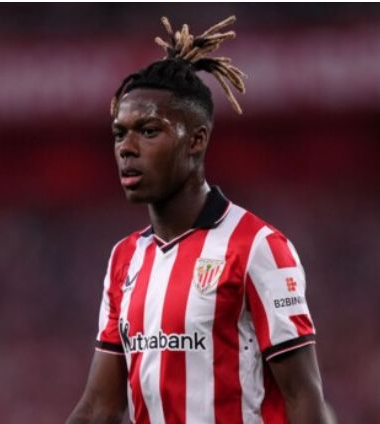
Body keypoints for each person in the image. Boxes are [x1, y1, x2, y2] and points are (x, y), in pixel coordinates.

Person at [66, 16, 332, 424]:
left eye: (148, 131)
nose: (127, 148)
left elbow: (303, 397)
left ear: (196, 139)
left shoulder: (257, 247)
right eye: (120, 134)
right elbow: (99, 407)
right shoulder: (125, 259)